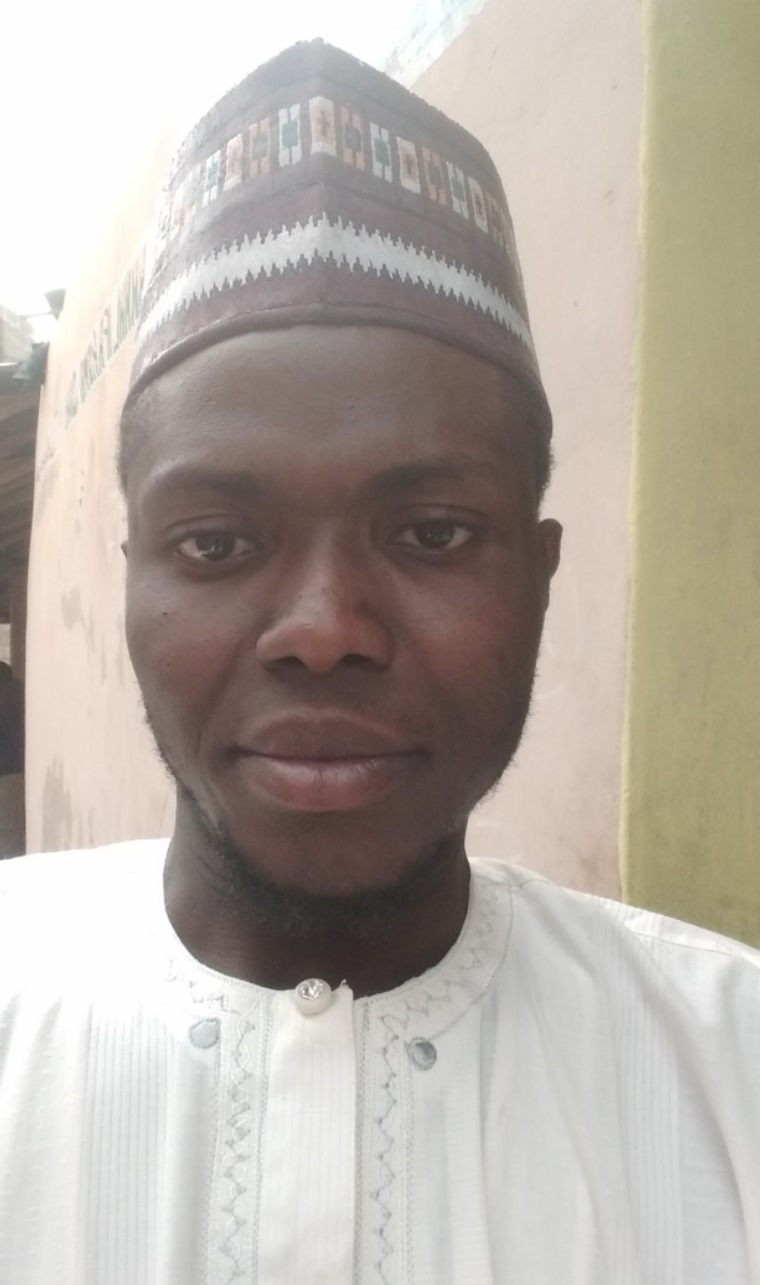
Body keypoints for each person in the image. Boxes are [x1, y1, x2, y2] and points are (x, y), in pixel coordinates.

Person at [1, 40, 759, 1285]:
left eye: (432, 534)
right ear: (135, 576)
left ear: (540, 575)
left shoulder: (729, 1080)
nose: (324, 629)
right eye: (217, 542)